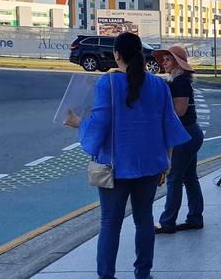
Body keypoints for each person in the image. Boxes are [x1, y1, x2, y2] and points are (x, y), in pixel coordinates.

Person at [64, 32, 189, 279]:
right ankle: (143, 274)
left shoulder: (107, 83)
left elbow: (99, 124)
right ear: (141, 54)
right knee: (144, 220)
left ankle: (107, 276)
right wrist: (167, 163)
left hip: (115, 166)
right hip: (151, 166)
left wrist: (78, 123)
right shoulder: (160, 85)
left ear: (117, 55)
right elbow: (169, 127)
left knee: (110, 222)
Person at [153, 45, 205, 234]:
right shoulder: (176, 80)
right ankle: (195, 218)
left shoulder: (180, 82)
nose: (163, 63)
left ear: (178, 62)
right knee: (189, 177)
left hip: (185, 134)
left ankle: (168, 222)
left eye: (168, 59)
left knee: (174, 177)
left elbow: (180, 111)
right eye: (163, 59)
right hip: (190, 133)